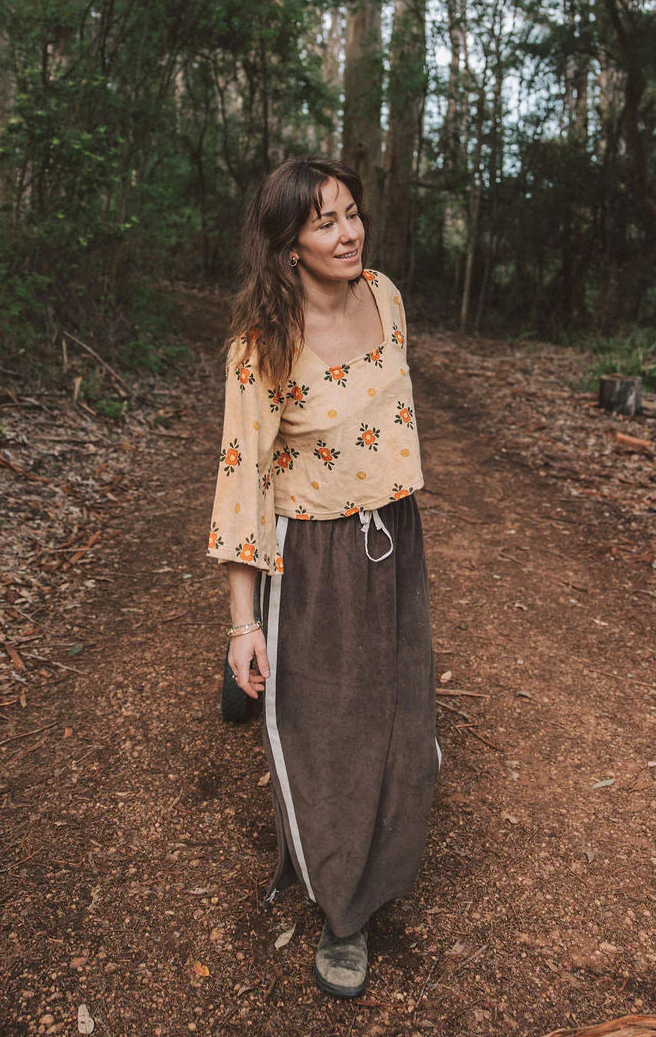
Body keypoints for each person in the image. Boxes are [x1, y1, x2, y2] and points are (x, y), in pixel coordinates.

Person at [207, 156, 438, 999]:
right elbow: (243, 487)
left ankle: (386, 846)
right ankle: (344, 915)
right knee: (329, 730)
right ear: (289, 245)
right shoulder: (262, 347)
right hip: (314, 556)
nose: (347, 234)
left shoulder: (386, 297)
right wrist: (244, 620)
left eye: (351, 214)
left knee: (401, 708)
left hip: (395, 537)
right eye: (324, 223)